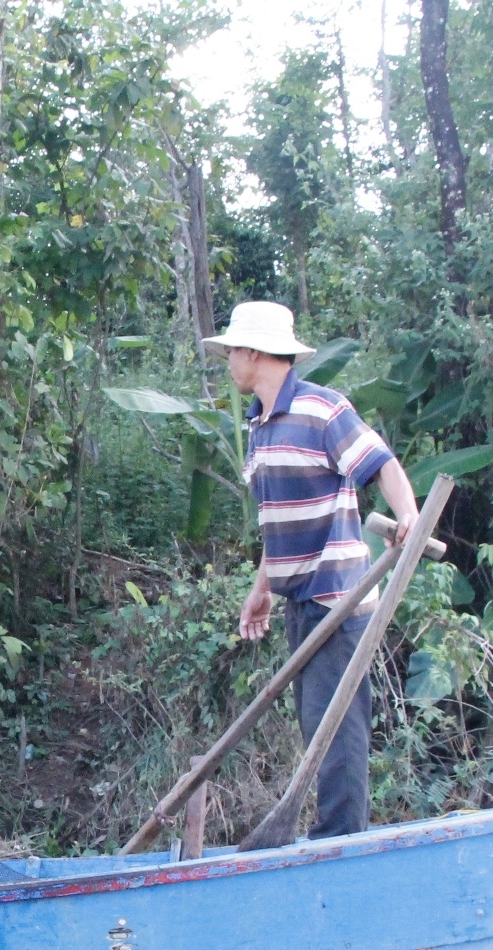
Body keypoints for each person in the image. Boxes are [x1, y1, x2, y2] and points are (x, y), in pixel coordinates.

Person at [206, 301, 421, 840]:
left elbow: (381, 464)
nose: (228, 360)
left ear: (254, 352)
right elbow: (279, 521)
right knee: (315, 725)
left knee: (336, 729)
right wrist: (263, 589)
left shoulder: (322, 410)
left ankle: (339, 844)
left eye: (232, 350)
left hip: (339, 598)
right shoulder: (260, 425)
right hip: (300, 599)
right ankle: (334, 837)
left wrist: (410, 518)